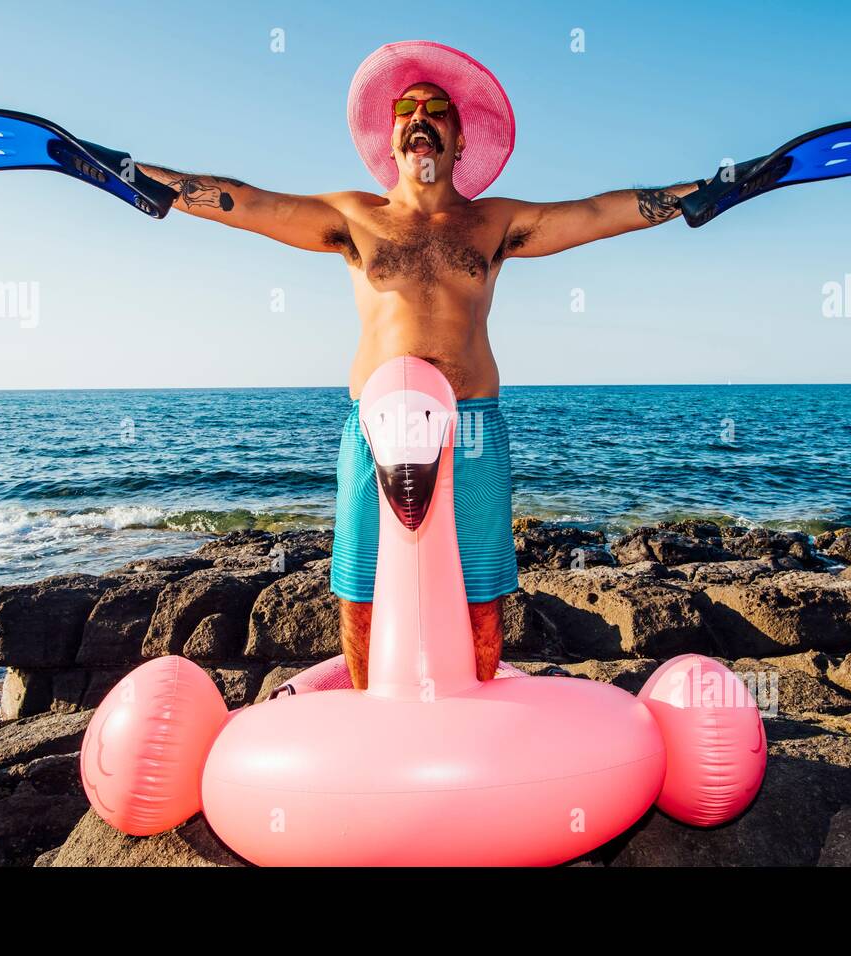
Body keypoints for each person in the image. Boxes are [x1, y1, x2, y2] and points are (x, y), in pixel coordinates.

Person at [138, 40, 704, 689]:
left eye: (437, 109)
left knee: (480, 602)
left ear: (460, 140)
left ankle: (477, 722)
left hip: (470, 428)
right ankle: (372, 722)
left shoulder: (495, 221)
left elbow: (600, 212)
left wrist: (701, 193)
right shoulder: (354, 216)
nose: (419, 116)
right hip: (377, 428)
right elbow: (247, 200)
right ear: (393, 138)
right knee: (361, 597)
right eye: (406, 108)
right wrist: (142, 177)